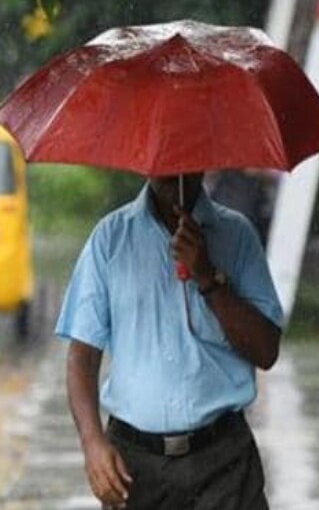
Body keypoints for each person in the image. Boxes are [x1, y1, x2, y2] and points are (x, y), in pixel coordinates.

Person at [56, 174, 283, 510]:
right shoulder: (110, 238)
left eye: (182, 157)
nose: (170, 169)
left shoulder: (237, 236)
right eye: (160, 158)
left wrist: (207, 278)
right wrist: (92, 443)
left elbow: (266, 351)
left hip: (224, 464)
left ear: (202, 161)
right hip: (135, 467)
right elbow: (82, 357)